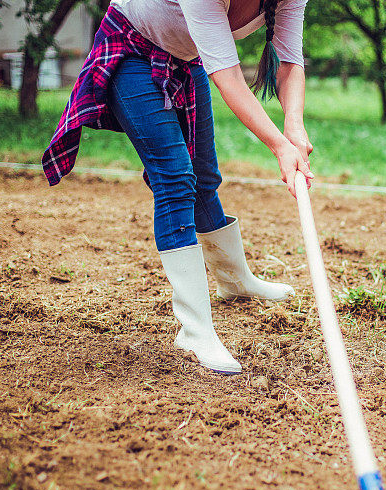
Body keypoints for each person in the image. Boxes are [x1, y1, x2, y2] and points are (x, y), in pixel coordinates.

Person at [42, 0, 313, 375]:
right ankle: (195, 329)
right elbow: (228, 76)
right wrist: (279, 146)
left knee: (204, 177)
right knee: (174, 178)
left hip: (186, 60)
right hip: (132, 50)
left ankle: (235, 281)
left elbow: (289, 62)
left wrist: (294, 127)